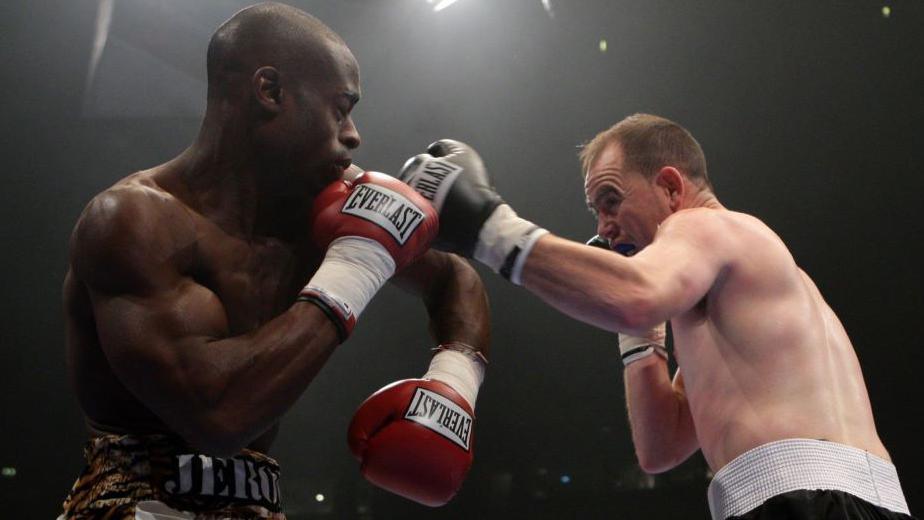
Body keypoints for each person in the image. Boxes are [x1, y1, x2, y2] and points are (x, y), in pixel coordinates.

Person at [60, 3, 490, 518]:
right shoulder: (133, 221)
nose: (353, 134)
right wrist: (357, 264)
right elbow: (218, 417)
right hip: (134, 504)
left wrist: (451, 386)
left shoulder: (323, 208)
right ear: (269, 92)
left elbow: (454, 278)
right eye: (340, 107)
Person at [397, 113, 914, 519]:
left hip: (804, 501)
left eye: (611, 200)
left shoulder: (704, 227)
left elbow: (638, 295)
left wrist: (488, 227)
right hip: (859, 499)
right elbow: (660, 447)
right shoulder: (745, 301)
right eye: (595, 211)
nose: (604, 226)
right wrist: (636, 325)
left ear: (670, 187)